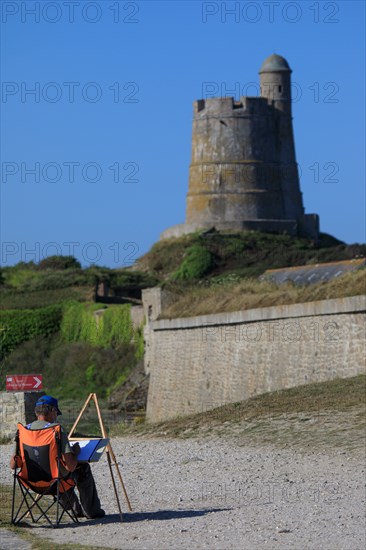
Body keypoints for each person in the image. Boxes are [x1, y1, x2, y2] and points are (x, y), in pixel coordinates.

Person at [10, 395, 105, 519]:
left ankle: (75, 509)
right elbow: (71, 466)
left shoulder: (23, 431)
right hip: (54, 482)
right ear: (52, 410)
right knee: (81, 468)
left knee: (59, 471)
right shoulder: (56, 430)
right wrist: (75, 452)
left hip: (31, 482)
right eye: (56, 412)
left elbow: (13, 465)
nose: (56, 417)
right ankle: (92, 512)